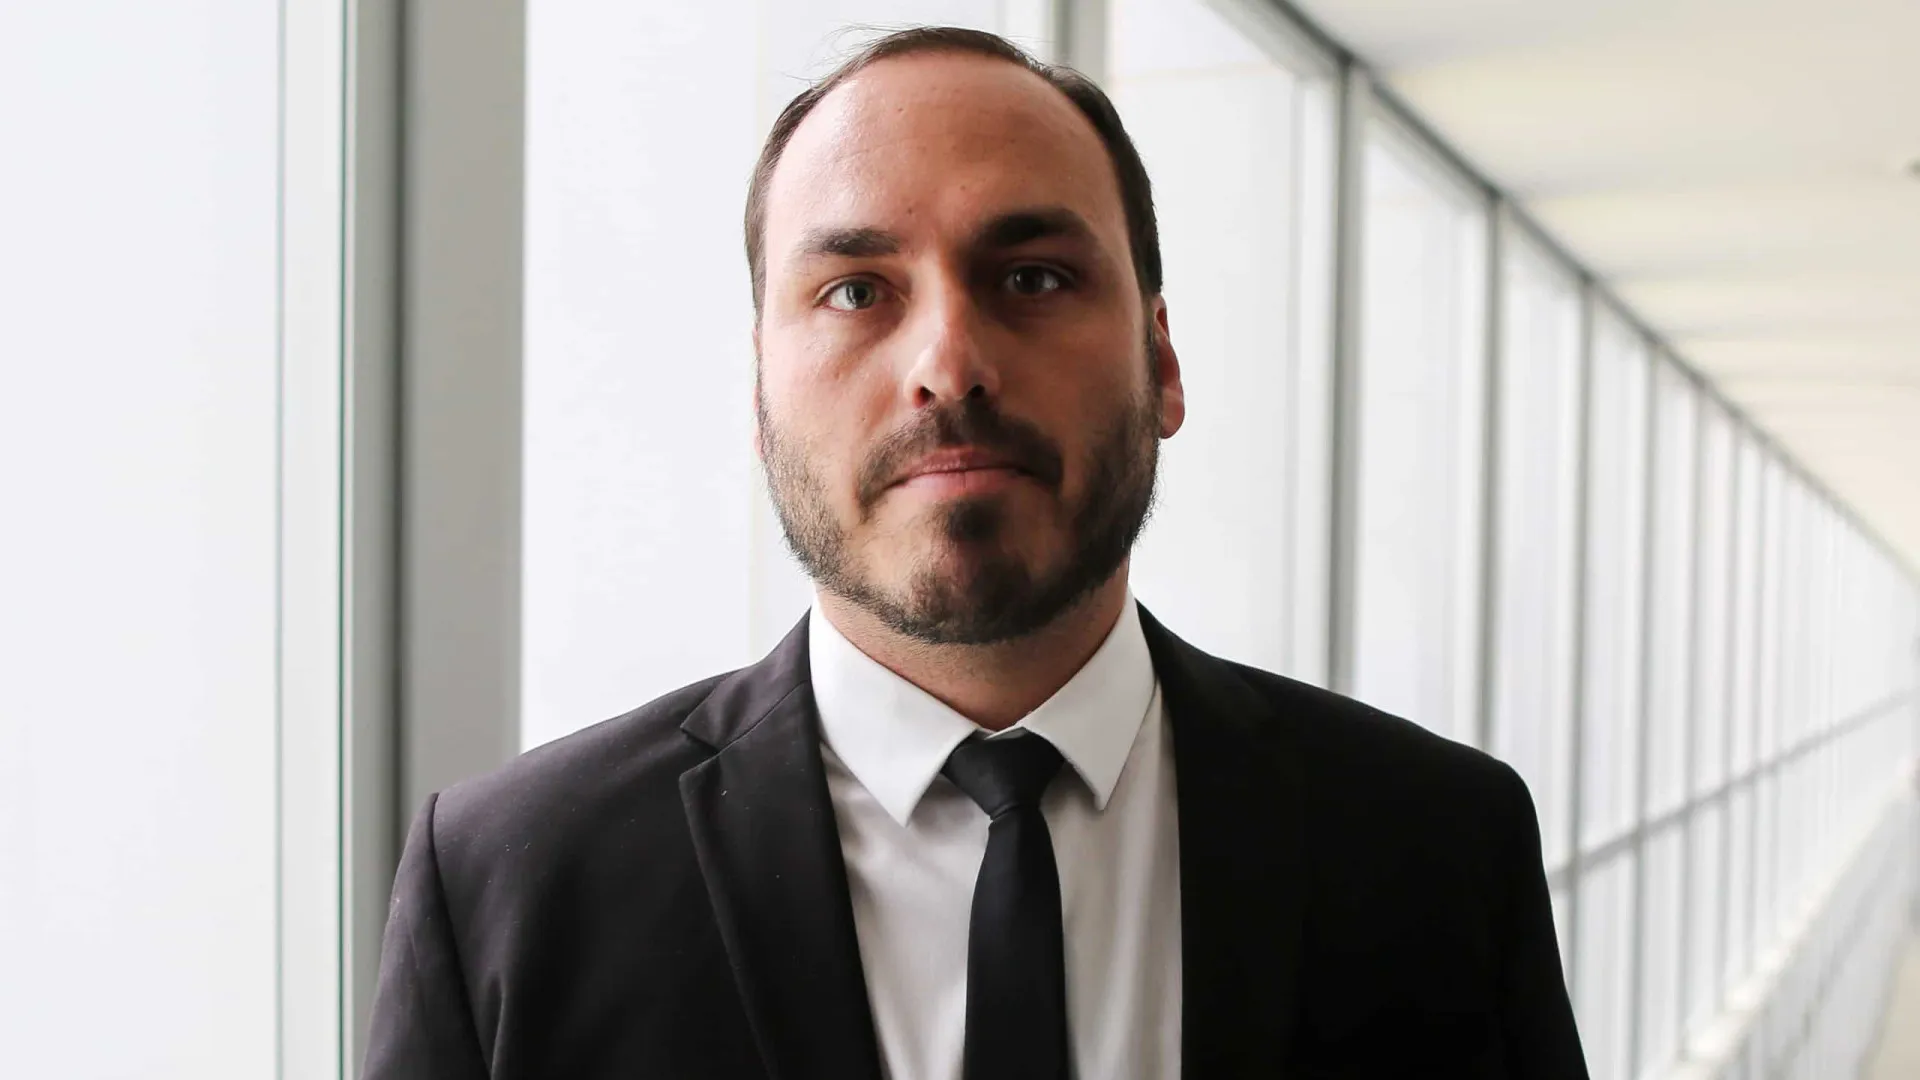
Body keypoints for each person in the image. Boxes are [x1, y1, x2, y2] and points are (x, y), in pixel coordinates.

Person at [363, 25, 1588, 1080]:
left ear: (1161, 362)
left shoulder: (1436, 850)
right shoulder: (509, 889)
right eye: (856, 291)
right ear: (759, 396)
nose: (949, 364)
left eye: (1034, 277)